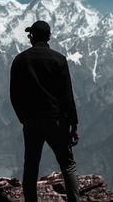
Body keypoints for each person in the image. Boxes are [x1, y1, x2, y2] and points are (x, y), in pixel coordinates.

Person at [10, 20, 80, 202]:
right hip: (56, 120)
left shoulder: (20, 60)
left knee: (31, 167)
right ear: (49, 36)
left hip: (31, 121)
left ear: (32, 37)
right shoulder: (59, 59)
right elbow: (67, 95)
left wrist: (24, 118)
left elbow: (14, 95)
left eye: (30, 34)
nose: (28, 36)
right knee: (68, 165)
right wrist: (74, 124)